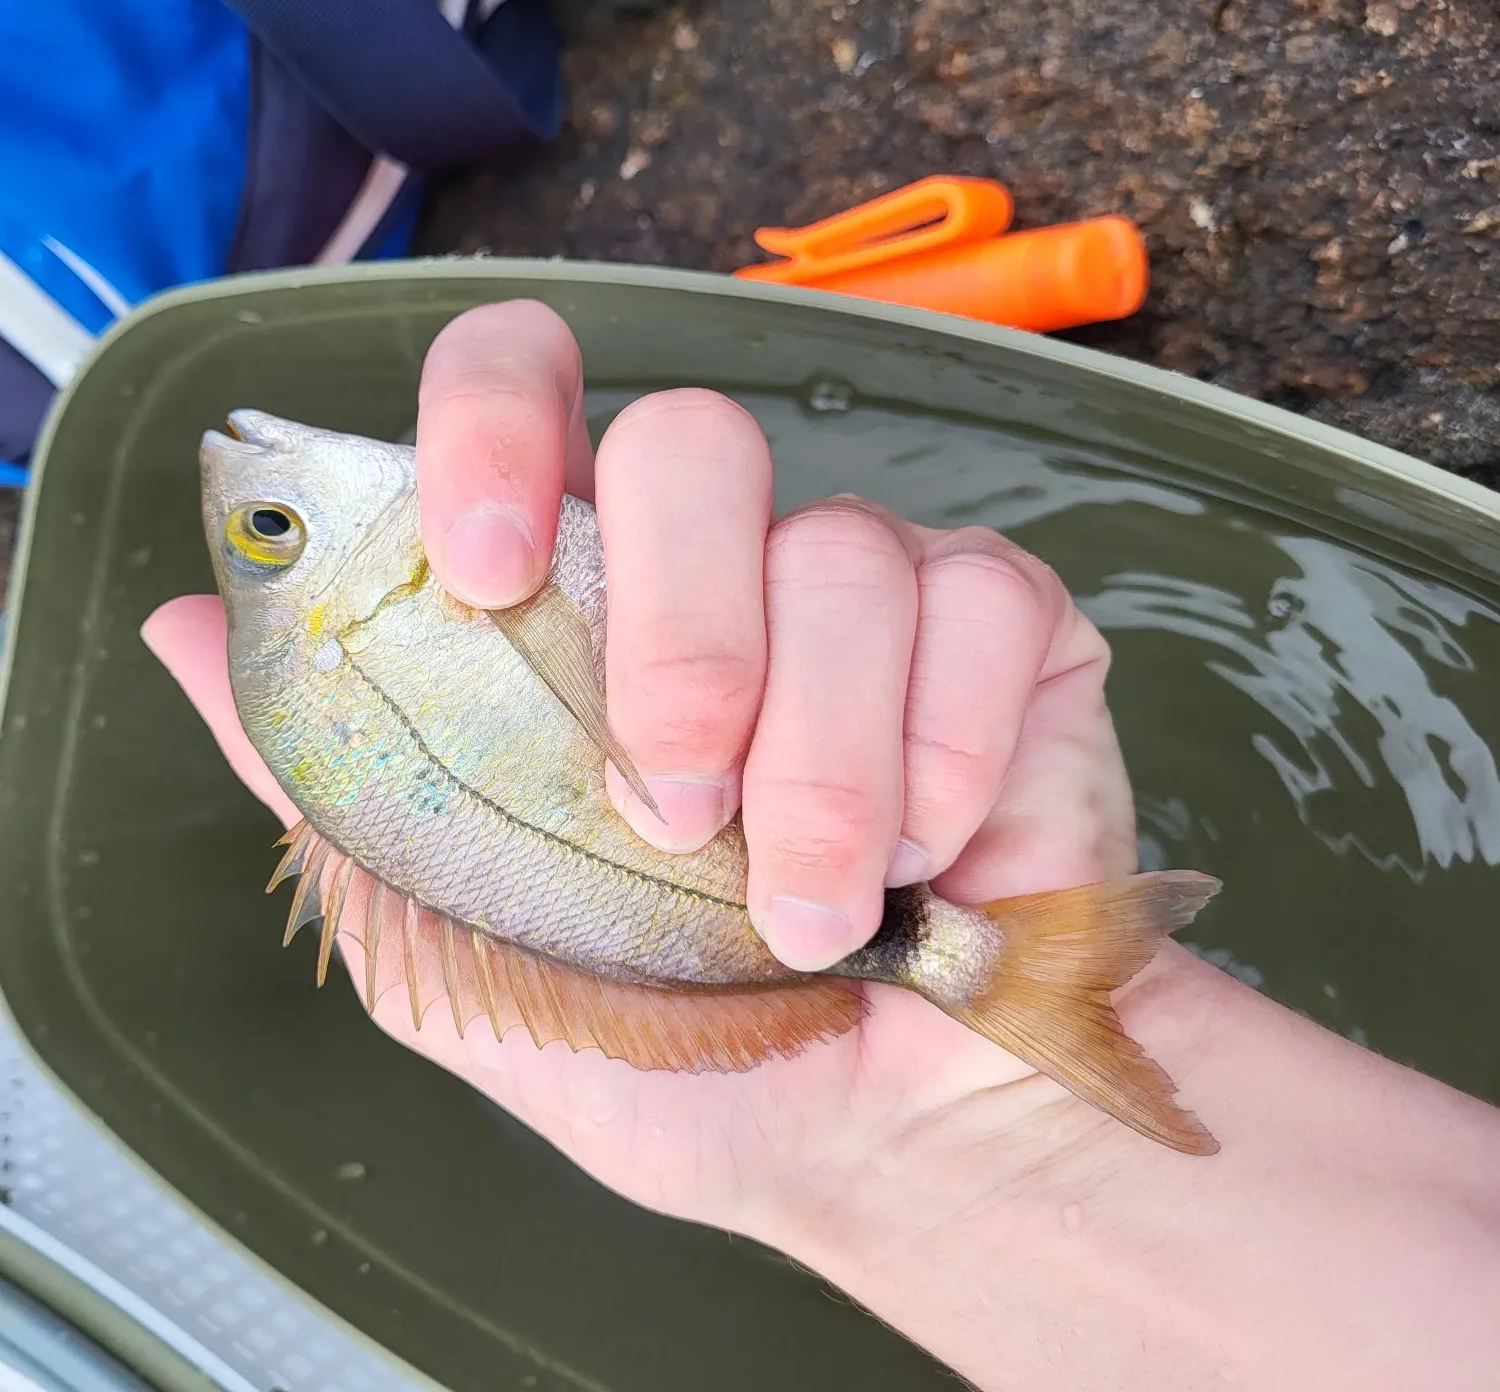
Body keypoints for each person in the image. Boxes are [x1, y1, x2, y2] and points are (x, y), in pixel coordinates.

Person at [142, 301, 1500, 1391]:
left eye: (268, 530)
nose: (265, 487)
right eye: (275, 531)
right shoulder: (337, 659)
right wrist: (938, 1135)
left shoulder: (350, 660)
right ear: (333, 603)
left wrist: (973, 1141)